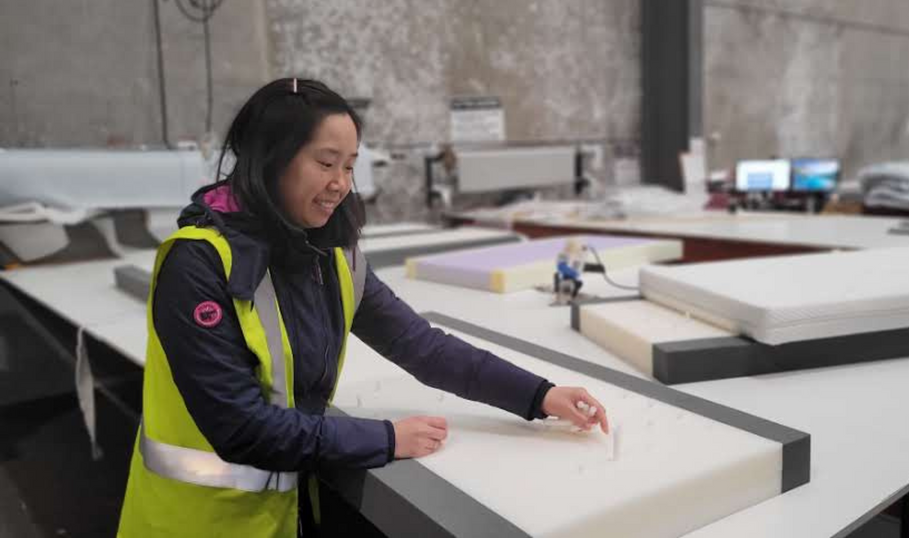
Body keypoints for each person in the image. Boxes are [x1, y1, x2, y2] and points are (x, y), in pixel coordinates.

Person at [116, 78, 609, 538]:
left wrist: (539, 396)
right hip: (193, 523)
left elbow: (422, 347)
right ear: (271, 159)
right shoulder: (198, 263)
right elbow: (241, 428)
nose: (341, 184)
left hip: (283, 516)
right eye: (326, 163)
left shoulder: (330, 256)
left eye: (350, 165)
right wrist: (386, 438)